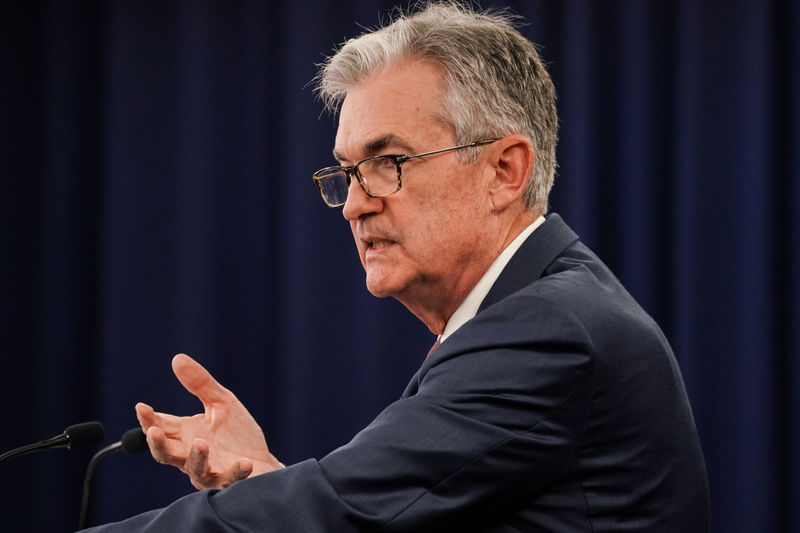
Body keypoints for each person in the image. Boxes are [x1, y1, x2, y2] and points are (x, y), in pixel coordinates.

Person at [84, 2, 710, 531]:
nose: (355, 204)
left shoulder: (551, 330)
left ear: (504, 171)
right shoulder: (534, 311)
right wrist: (271, 480)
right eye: (347, 172)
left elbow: (340, 511)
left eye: (390, 163)